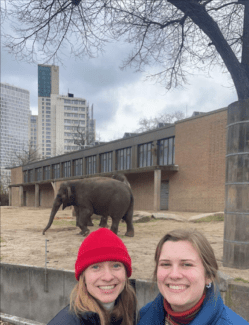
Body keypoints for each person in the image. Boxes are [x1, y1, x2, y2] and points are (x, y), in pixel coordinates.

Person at [137, 228, 249, 325]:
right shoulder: (144, 315)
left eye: (187, 264)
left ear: (209, 275)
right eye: (166, 264)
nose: (174, 275)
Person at [47, 228, 136, 325]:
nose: (108, 277)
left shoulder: (130, 310)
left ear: (126, 273)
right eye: (96, 267)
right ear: (83, 277)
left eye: (116, 265)